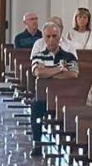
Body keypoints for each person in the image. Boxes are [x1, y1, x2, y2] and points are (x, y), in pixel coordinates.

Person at [27, 22, 78, 158]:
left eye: (54, 36)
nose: (51, 40)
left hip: (66, 95)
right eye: (48, 37)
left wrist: (49, 73)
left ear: (59, 37)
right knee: (36, 106)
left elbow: (73, 74)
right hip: (44, 96)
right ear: (44, 38)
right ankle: (37, 143)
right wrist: (59, 69)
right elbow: (38, 72)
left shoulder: (69, 56)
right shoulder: (38, 56)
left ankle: (75, 144)